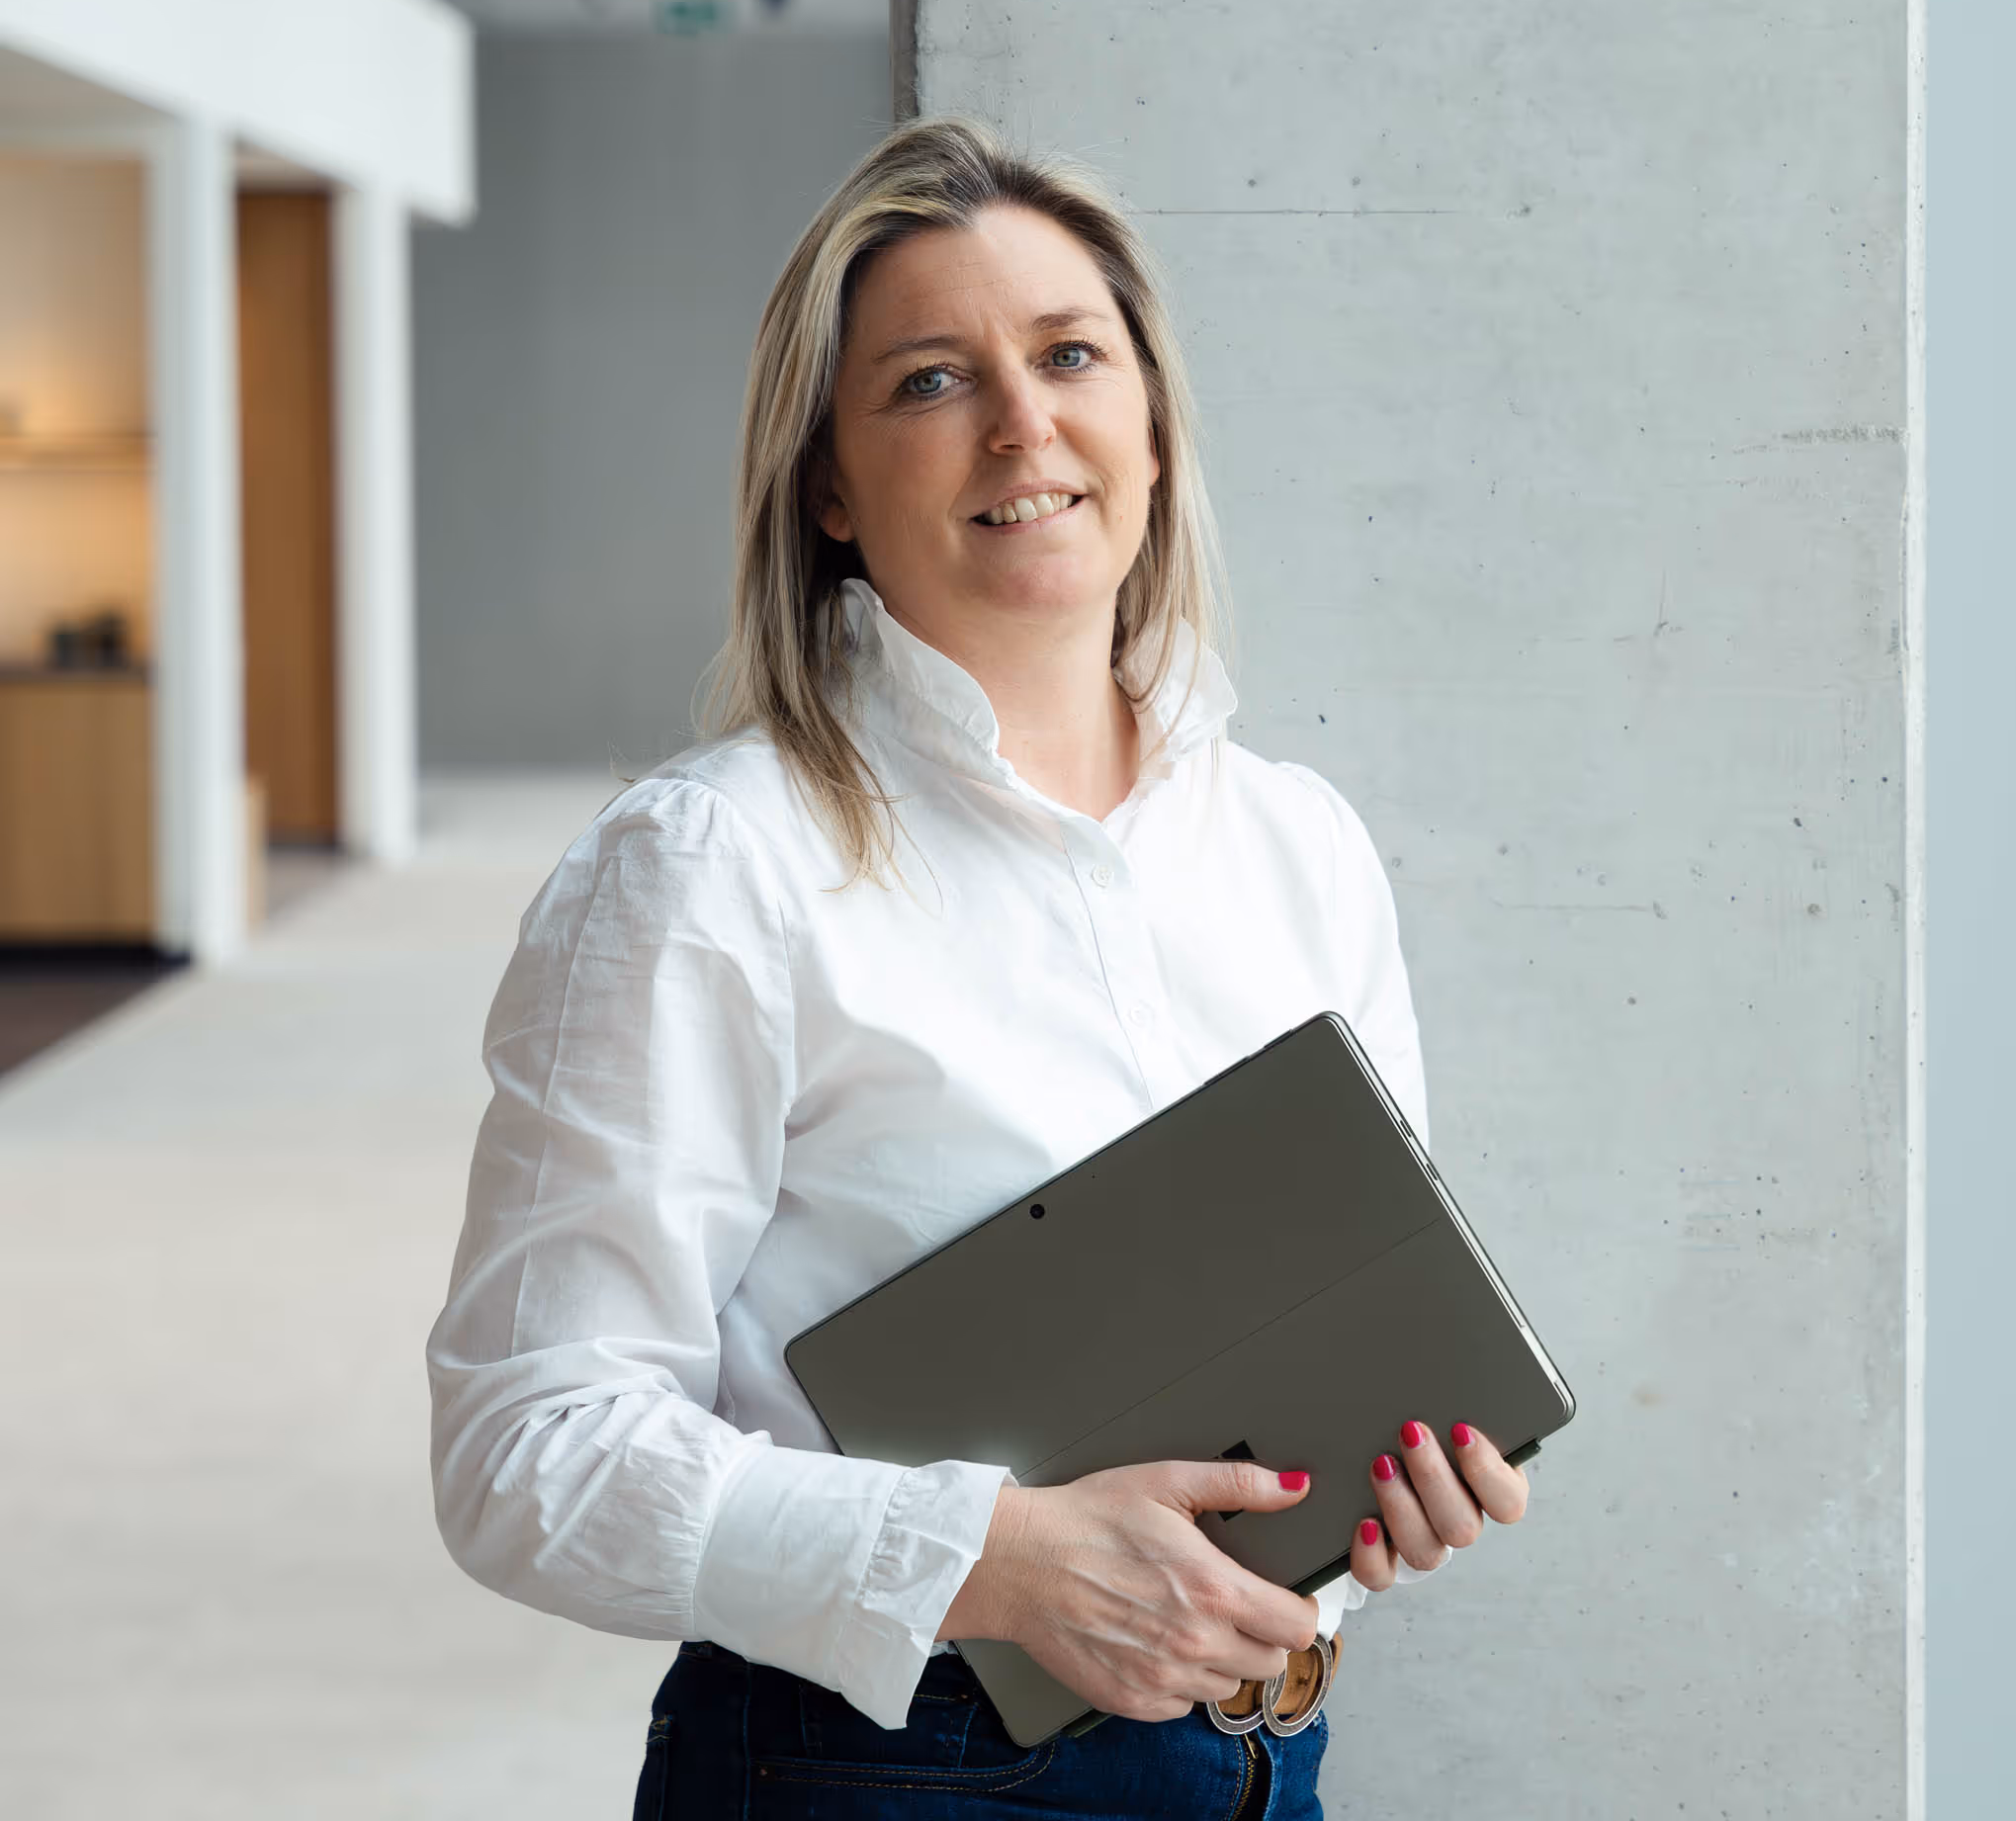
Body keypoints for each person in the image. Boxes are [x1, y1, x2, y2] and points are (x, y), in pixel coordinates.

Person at [424, 115, 1532, 1817]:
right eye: (933, 381)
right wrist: (996, 1564)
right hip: (881, 1774)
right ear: (829, 488)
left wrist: (1390, 1490)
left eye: (1070, 353)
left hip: (1266, 1760)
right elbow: (529, 1450)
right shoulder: (716, 865)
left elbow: (1356, 1326)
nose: (1026, 422)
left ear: (1149, 420)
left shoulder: (1297, 845)